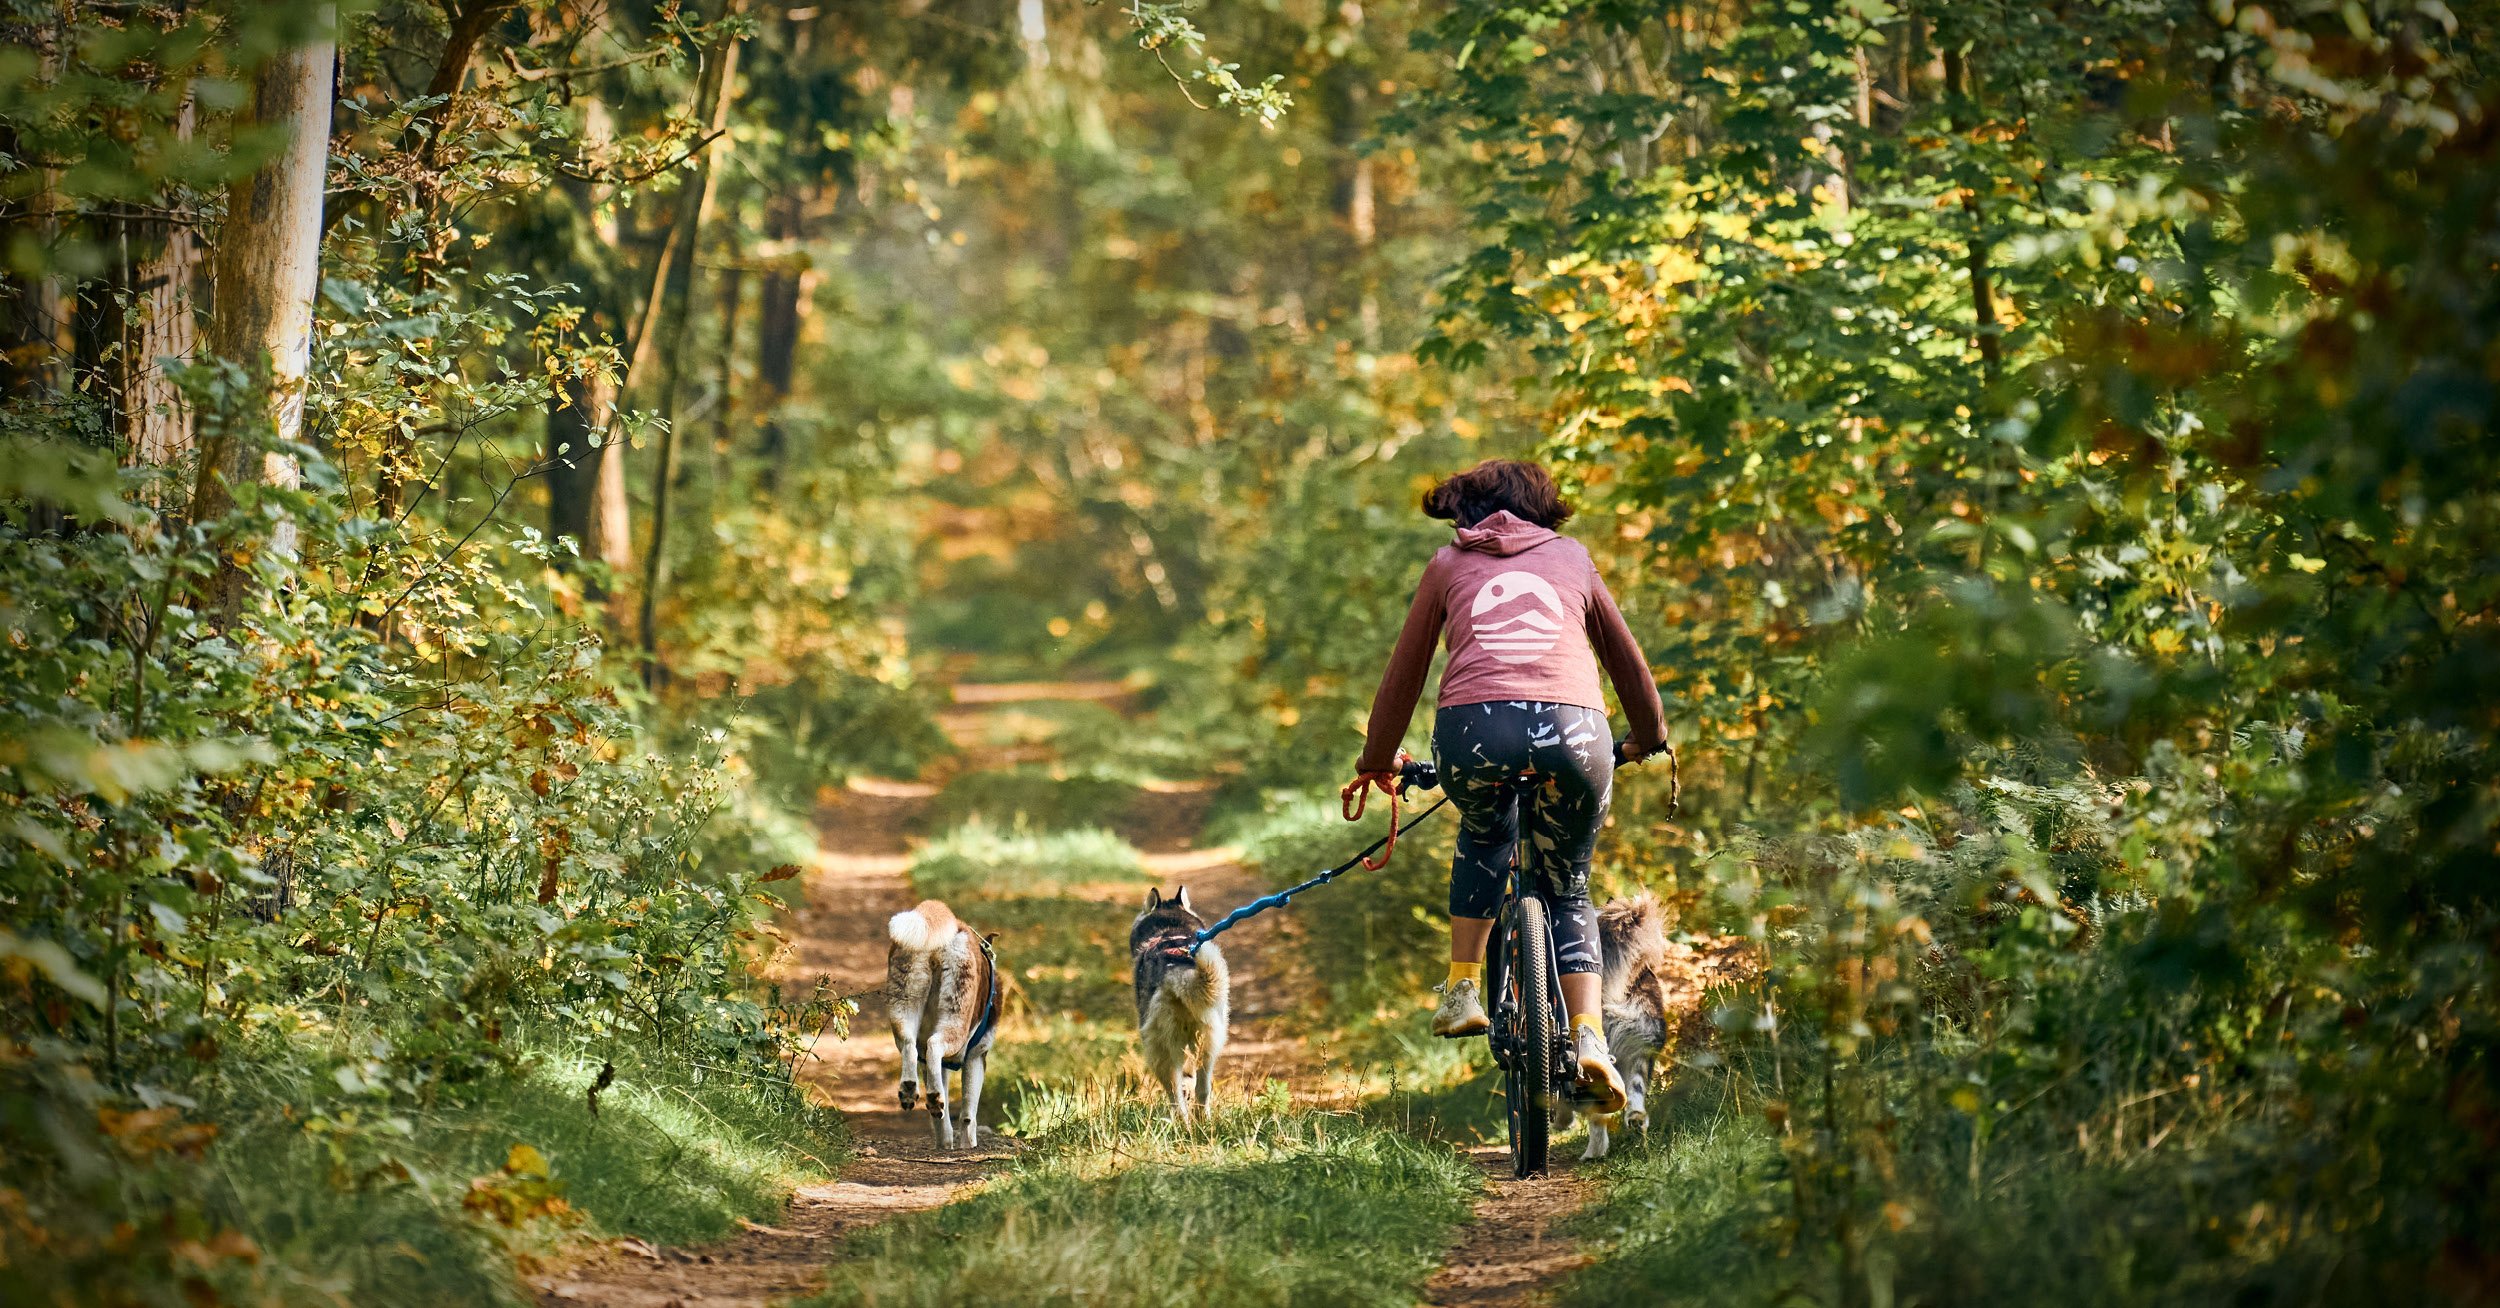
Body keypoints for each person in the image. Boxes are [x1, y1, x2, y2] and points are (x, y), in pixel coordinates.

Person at [1342, 458, 1668, 1111]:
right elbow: (1625, 660)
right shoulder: (1573, 558)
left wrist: (1376, 759)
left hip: (1474, 733)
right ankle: (1588, 1040)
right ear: (1543, 507)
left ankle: (1463, 988)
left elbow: (1403, 675)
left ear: (1465, 510)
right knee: (1568, 886)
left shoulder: (1446, 565)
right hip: (1575, 734)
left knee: (1484, 835)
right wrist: (1648, 735)